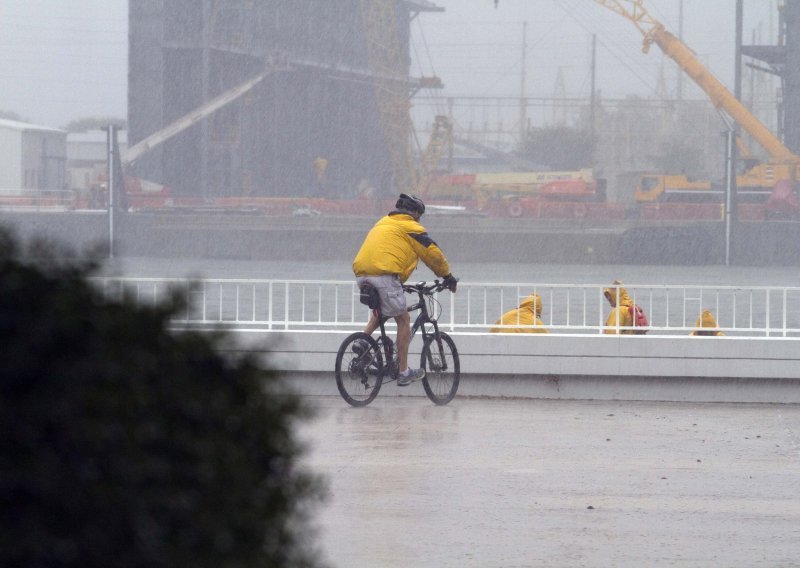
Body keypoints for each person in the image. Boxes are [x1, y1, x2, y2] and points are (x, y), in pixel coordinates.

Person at [352, 193, 458, 386]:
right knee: (403, 319)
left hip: (362, 273)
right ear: (415, 212)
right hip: (384, 274)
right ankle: (403, 372)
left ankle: (363, 340)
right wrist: (447, 277)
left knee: (385, 309)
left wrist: (398, 282)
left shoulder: (384, 222)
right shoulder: (410, 227)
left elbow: (388, 251)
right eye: (419, 215)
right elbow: (432, 253)